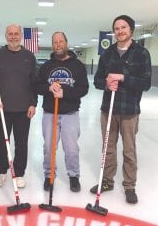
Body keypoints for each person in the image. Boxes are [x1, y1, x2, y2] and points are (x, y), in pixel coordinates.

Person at [90, 15, 152, 204]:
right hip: (108, 109)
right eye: (116, 28)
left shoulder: (141, 53)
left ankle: (129, 186)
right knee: (108, 147)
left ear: (131, 29)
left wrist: (124, 78)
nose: (120, 31)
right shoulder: (107, 53)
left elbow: (146, 83)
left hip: (129, 111)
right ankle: (107, 181)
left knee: (129, 150)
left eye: (123, 27)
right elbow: (97, 81)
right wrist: (107, 84)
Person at [0, 24, 37, 189]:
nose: (13, 36)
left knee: (21, 143)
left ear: (20, 35)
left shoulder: (29, 56)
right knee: (1, 142)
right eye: (10, 34)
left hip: (23, 110)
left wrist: (33, 103)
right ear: (6, 36)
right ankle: (1, 171)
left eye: (16, 34)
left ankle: (19, 173)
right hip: (2, 110)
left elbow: (34, 83)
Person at [37, 31, 89, 192]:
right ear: (52, 45)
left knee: (71, 148)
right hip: (50, 113)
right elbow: (37, 86)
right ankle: (49, 175)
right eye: (55, 42)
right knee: (48, 147)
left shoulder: (77, 65)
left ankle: (74, 176)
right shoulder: (46, 66)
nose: (58, 45)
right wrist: (48, 87)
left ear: (66, 43)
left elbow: (84, 89)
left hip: (70, 114)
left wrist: (65, 92)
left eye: (60, 41)